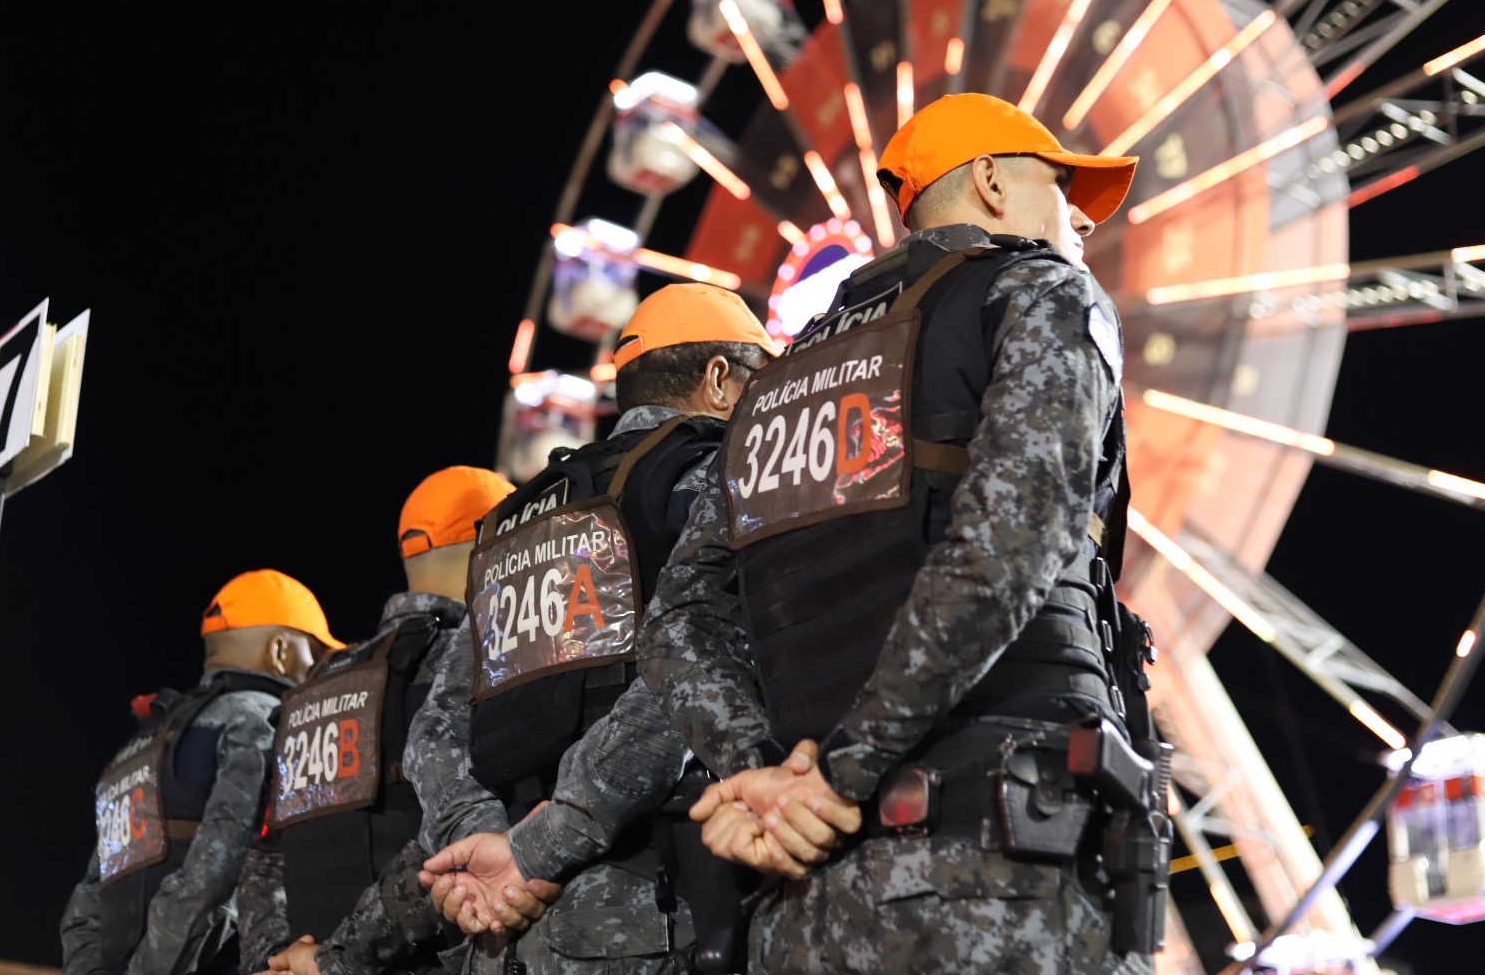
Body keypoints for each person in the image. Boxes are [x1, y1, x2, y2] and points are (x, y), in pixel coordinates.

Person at [635, 92, 1169, 974]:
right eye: (1059, 184)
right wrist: (839, 775)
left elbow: (675, 624)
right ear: (993, 182)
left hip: (803, 905)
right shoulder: (1037, 290)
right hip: (997, 865)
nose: (1075, 215)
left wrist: (773, 781)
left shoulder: (775, 385)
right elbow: (1009, 544)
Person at [408, 282, 779, 974]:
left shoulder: (514, 523)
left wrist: (485, 847)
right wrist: (536, 849)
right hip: (655, 909)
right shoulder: (712, 477)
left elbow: (434, 730)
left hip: (507, 937)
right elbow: (690, 678)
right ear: (720, 380)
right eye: (763, 375)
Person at [240, 466, 519, 975]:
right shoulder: (485, 659)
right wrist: (338, 960)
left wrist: (275, 960)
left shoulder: (313, 688)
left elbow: (263, 855)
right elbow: (455, 838)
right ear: (496, 538)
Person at [61, 568, 343, 975]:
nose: (317, 667)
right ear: (281, 651)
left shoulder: (141, 745)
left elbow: (88, 899)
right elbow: (217, 873)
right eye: (313, 653)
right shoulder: (260, 719)